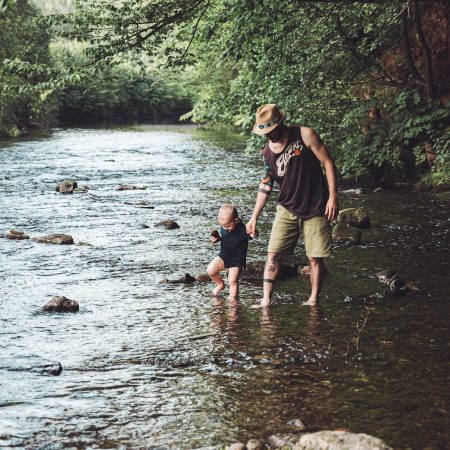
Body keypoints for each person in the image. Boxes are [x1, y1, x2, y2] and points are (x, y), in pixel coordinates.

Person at [246, 104, 339, 307]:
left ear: (280, 123)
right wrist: (254, 217)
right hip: (286, 207)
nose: (269, 136)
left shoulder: (304, 134)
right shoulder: (267, 153)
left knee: (314, 257)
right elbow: (266, 186)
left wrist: (333, 197)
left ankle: (313, 300)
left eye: (271, 131)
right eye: (265, 133)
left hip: (316, 206)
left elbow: (328, 163)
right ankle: (266, 300)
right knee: (273, 255)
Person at [207, 204, 257, 305]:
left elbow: (253, 235)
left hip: (236, 260)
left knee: (232, 280)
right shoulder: (224, 227)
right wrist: (217, 239)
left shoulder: (243, 229)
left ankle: (233, 299)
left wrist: (253, 232)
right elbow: (225, 237)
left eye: (228, 226)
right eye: (222, 226)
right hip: (223, 256)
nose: (225, 228)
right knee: (210, 270)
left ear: (236, 220)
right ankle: (220, 284)